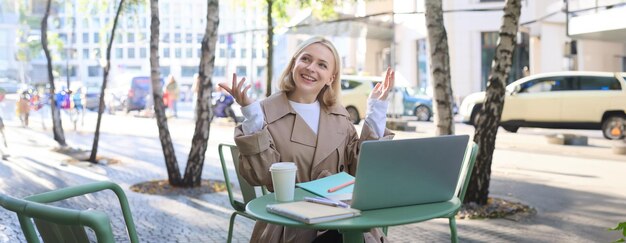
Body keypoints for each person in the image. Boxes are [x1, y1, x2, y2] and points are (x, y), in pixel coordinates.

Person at [219, 36, 395, 243]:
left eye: (322, 65)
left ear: (331, 77)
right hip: (291, 224)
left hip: (344, 218)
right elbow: (260, 175)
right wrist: (252, 115)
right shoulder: (263, 112)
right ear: (294, 64)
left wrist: (376, 110)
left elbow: (360, 170)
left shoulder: (339, 114)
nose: (311, 68)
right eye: (305, 59)